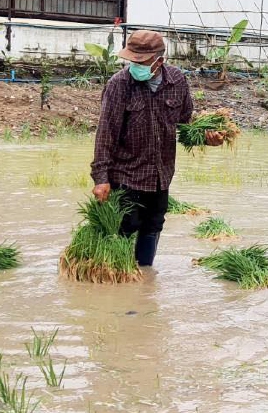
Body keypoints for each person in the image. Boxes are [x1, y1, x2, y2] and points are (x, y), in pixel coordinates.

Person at [90, 29, 211, 267]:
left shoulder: (176, 80)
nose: (135, 66)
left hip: (160, 175)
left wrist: (207, 137)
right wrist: (101, 178)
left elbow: (186, 123)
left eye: (141, 62)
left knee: (153, 226)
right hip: (126, 174)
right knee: (125, 226)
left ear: (159, 61)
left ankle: (144, 276)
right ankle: (120, 274)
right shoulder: (119, 84)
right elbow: (106, 133)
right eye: (131, 60)